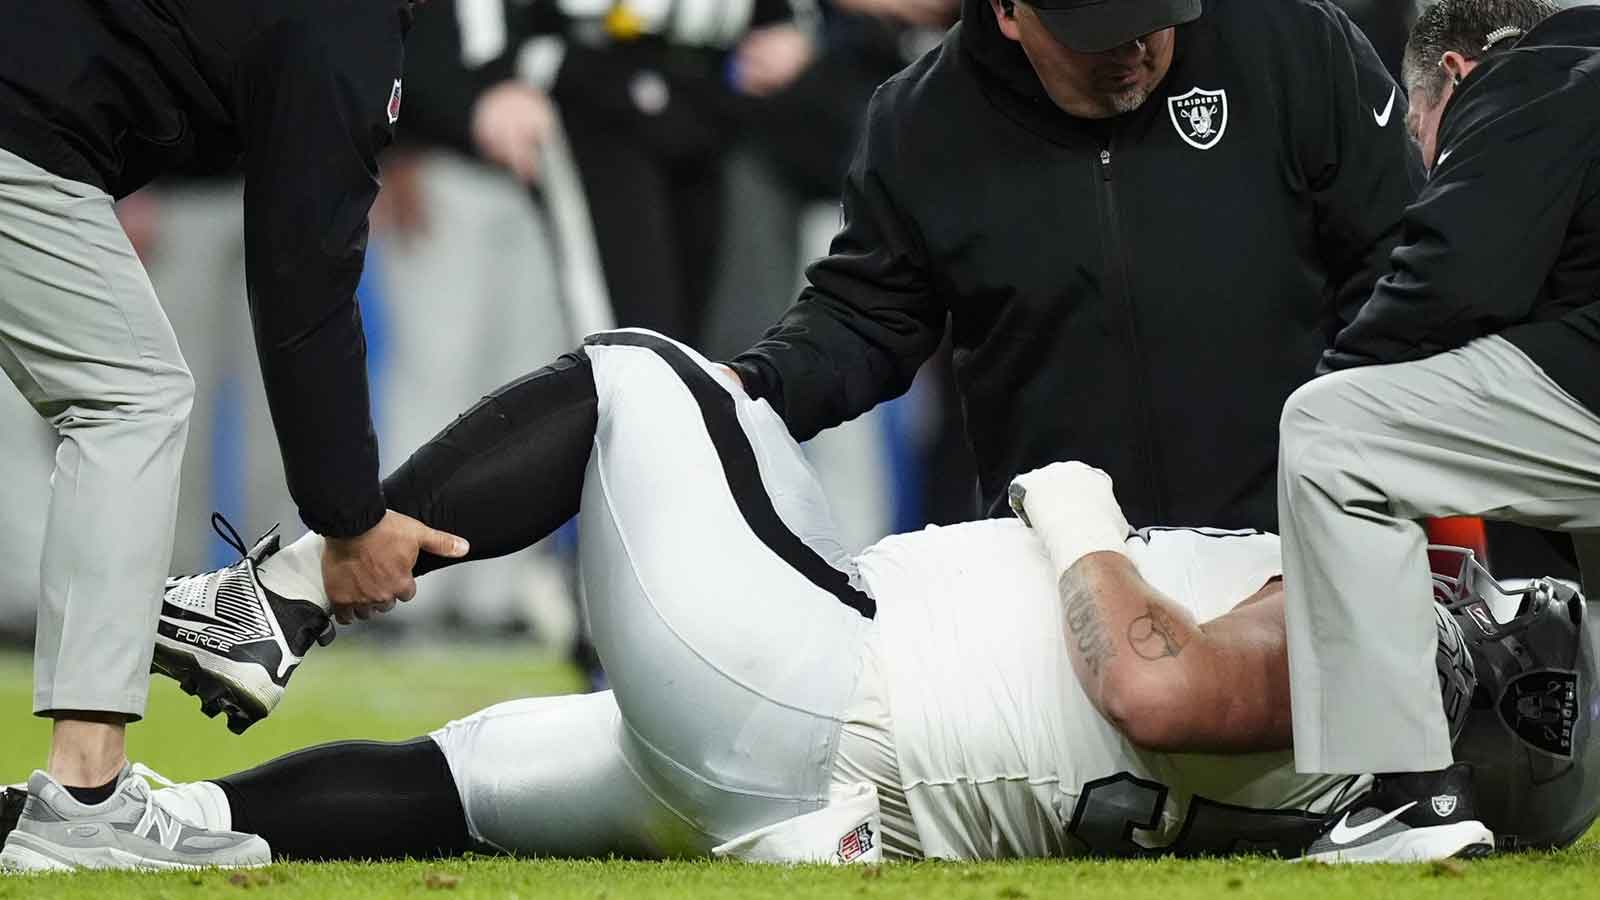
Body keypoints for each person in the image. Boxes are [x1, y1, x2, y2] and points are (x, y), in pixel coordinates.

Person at [12, 329, 1591, 866]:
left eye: (1503, 609)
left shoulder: (1343, 683)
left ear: (1482, 681)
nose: (1474, 584)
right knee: (478, 782)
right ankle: (142, 831)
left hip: (823, 687)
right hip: (824, 768)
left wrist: (1074, 505)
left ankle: (280, 598)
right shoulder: (1365, 772)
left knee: (642, 376)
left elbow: (1158, 687)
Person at [0, 0, 471, 871]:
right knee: (130, 395)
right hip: (20, 138)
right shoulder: (349, 24)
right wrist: (351, 521)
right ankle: (84, 799)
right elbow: (305, 281)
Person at [720, 0, 1422, 532]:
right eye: (1099, 30)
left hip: (1295, 538)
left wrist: (1345, 465)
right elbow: (864, 315)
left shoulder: (1290, 44)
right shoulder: (923, 122)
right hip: (1062, 566)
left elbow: (1398, 258)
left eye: (1150, 15)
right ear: (1007, 12)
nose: (1134, 48)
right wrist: (744, 390)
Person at [1275, 0, 1600, 863]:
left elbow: (1459, 273)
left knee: (1331, 432)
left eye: (1419, 126)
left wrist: (1342, 372)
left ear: (1454, 74)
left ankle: (1411, 797)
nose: (1422, 149)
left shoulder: (1530, 74)